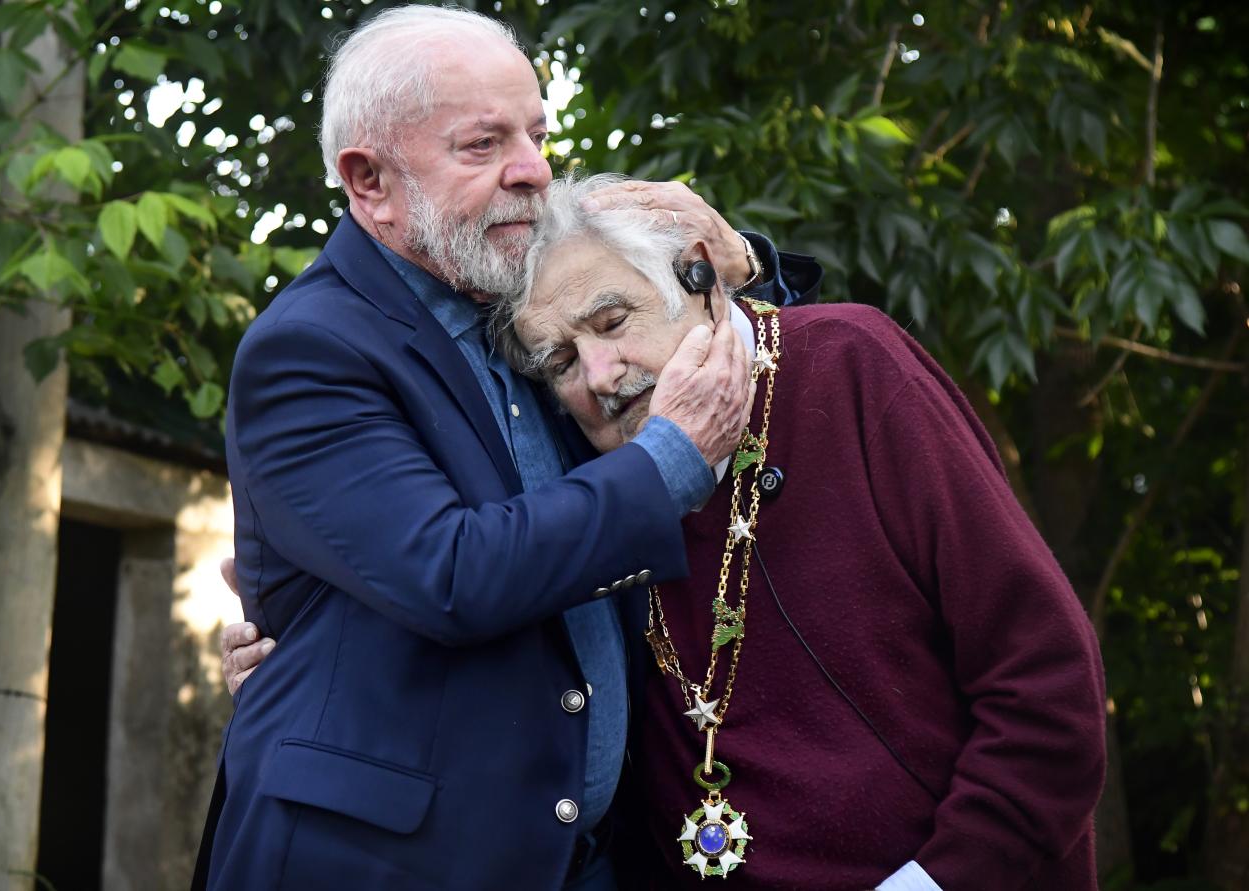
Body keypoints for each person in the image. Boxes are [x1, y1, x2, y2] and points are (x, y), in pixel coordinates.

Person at [195, 7, 819, 891]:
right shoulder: (308, 348)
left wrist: (742, 264)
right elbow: (452, 572)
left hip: (591, 856)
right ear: (369, 181)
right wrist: (672, 457)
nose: (532, 171)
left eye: (535, 133)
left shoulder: (526, 291)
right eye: (483, 145)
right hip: (383, 864)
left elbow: (690, 364)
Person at [492, 173, 1107, 889]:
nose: (599, 374)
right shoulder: (593, 494)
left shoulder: (851, 365)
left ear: (701, 280)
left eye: (612, 321)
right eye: (562, 361)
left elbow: (1048, 690)